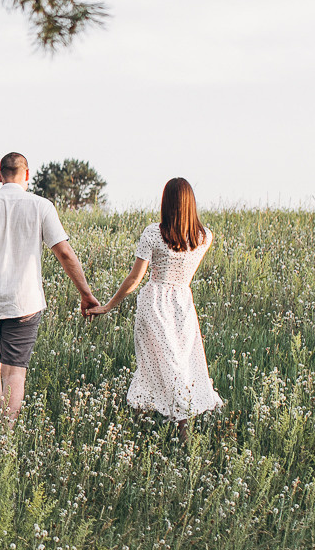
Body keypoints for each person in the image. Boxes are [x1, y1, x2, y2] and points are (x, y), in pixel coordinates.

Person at [0, 151, 101, 420]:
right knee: (15, 368)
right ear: (27, 175)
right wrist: (86, 294)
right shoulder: (41, 206)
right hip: (24, 300)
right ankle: (8, 432)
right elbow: (64, 252)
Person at [85, 176, 223, 421]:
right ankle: (179, 428)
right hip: (183, 303)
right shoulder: (204, 237)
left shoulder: (154, 233)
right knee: (180, 363)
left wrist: (108, 306)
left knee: (150, 365)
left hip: (155, 302)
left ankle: (141, 425)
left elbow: (134, 279)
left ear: (166, 203)